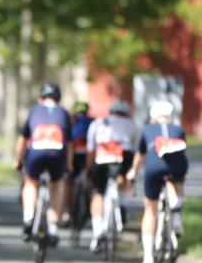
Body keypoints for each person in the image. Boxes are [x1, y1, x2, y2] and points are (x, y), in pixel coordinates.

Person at [128, 100, 189, 263]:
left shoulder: (147, 130)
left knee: (150, 209)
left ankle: (148, 259)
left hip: (154, 167)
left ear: (153, 116)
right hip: (178, 166)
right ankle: (176, 215)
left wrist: (133, 172)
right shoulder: (179, 130)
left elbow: (140, 155)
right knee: (176, 181)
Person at [14, 83, 73, 244]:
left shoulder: (34, 110)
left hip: (36, 151)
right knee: (57, 185)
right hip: (57, 152)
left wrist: (18, 160)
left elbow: (23, 140)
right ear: (59, 99)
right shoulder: (64, 113)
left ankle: (28, 217)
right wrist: (69, 166)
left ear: (41, 98)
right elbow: (69, 145)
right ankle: (54, 229)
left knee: (31, 183)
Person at [85, 99, 138, 252]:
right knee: (122, 179)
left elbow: (91, 149)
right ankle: (122, 205)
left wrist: (89, 168)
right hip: (124, 155)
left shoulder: (98, 123)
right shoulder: (132, 125)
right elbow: (135, 151)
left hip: (102, 154)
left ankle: (97, 231)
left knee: (98, 194)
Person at [65, 101, 93, 221]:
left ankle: (66, 211)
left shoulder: (71, 120)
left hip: (73, 154)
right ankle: (91, 209)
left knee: (69, 183)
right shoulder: (92, 121)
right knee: (91, 182)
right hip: (87, 154)